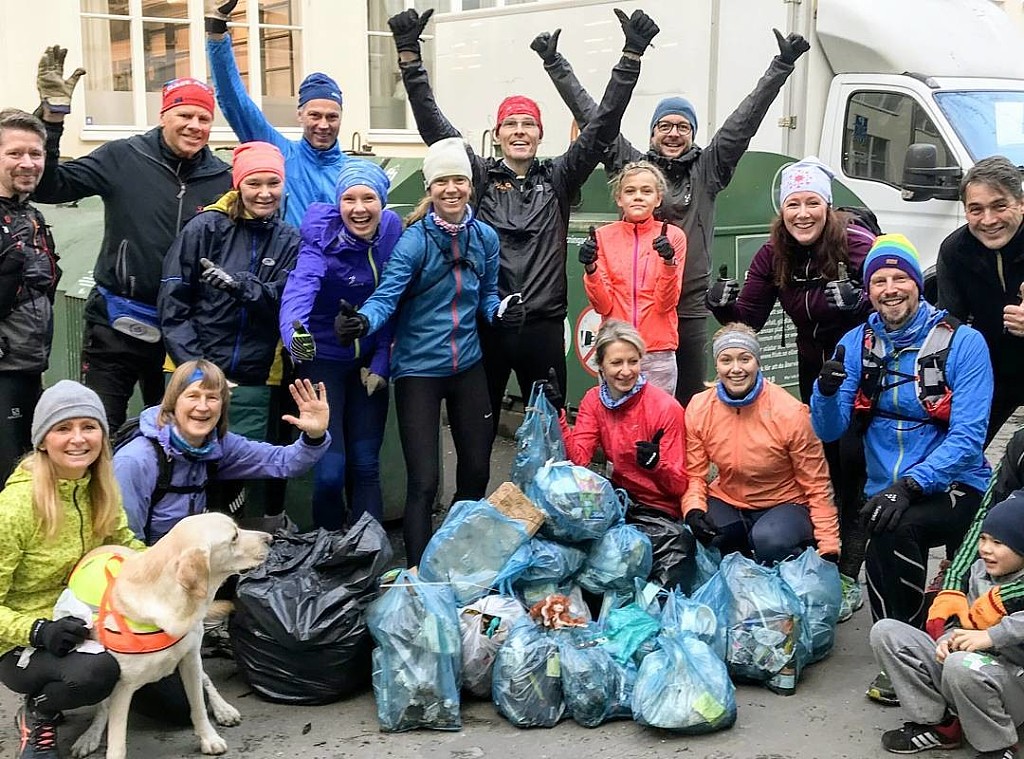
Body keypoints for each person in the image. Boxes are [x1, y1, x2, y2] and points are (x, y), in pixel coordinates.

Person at [388, 6, 656, 428]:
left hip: (543, 328)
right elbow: (437, 132)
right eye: (510, 124)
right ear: (497, 134)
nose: (519, 130)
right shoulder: (477, 176)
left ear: (539, 134)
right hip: (488, 325)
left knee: (551, 432)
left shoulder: (560, 177)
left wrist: (631, 58)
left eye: (528, 124)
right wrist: (409, 58)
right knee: (478, 431)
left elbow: (603, 126)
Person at [533, 26, 810, 405]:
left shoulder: (709, 168)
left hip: (688, 307)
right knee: (626, 403)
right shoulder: (636, 169)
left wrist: (781, 65)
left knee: (685, 401)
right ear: (652, 134)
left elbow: (743, 122)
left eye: (682, 126)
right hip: (637, 311)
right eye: (664, 126)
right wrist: (555, 64)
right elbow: (596, 118)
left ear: (693, 133)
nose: (673, 133)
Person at [811, 233, 992, 705]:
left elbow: (969, 437)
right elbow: (830, 429)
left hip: (956, 482)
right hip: (887, 488)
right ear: (868, 290)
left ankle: (919, 651)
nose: (890, 289)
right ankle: (905, 655)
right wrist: (824, 393)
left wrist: (911, 485)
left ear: (917, 283)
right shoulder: (857, 343)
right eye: (879, 281)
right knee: (883, 525)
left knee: (892, 526)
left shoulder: (964, 343)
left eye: (900, 278)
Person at [707, 156, 875, 618]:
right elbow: (750, 320)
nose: (803, 214)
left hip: (861, 369)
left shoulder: (857, 245)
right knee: (827, 461)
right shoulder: (773, 254)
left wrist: (862, 304)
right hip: (814, 369)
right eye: (793, 204)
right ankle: (821, 553)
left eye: (812, 203)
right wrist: (722, 307)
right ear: (782, 210)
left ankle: (847, 571)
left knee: (854, 467)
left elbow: (900, 297)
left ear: (828, 206)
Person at [31, 46, 231, 431]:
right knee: (99, 427)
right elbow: (48, 187)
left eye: (204, 118)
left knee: (177, 435)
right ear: (164, 116)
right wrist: (52, 121)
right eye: (184, 115)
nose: (194, 125)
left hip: (183, 331)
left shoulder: (222, 178)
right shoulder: (123, 156)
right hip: (116, 322)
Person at [332, 138, 501, 567]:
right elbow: (386, 297)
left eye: (459, 180)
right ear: (430, 188)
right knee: (424, 482)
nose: (451, 189)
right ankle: (419, 574)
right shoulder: (414, 241)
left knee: (476, 473)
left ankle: (457, 557)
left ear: (470, 186)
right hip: (419, 371)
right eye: (441, 181)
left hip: (468, 365)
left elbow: (487, 295)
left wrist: (501, 312)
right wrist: (362, 321)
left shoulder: (485, 238)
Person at [0, 380, 145, 758]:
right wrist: (38, 630)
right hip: (25, 639)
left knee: (175, 706)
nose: (78, 439)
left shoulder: (101, 488)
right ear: (42, 441)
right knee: (96, 675)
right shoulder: (15, 507)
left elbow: (127, 547)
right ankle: (40, 711)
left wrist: (170, 565)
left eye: (89, 427)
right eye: (63, 428)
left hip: (92, 619)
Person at [279, 160, 402, 530]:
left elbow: (392, 299)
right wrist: (296, 337)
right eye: (349, 199)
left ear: (382, 202)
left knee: (365, 465)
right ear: (338, 203)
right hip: (323, 361)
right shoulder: (323, 237)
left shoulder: (392, 232)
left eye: (368, 198)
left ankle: (369, 549)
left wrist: (381, 362)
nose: (359, 208)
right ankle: (329, 545)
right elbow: (300, 289)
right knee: (330, 471)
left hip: (368, 364)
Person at [159, 141, 299, 446]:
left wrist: (240, 287)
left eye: (273, 183)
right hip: (192, 372)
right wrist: (199, 370)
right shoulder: (204, 228)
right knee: (186, 459)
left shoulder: (289, 239)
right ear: (238, 185)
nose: (265, 193)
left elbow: (283, 303)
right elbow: (173, 305)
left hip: (255, 378)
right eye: (254, 183)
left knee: (245, 466)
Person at [870, 493, 1024, 759]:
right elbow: (959, 619)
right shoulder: (978, 571)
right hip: (967, 670)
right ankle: (940, 725)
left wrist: (990, 636)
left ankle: (998, 746)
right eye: (983, 539)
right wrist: (947, 640)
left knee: (960, 664)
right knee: (886, 632)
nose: (986, 549)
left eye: (998, 543)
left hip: (1012, 684)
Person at [112, 359, 329, 546]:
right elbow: (125, 541)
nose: (203, 407)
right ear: (172, 402)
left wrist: (315, 435)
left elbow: (286, 463)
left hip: (197, 555)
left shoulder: (218, 444)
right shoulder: (136, 460)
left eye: (212, 398)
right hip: (148, 562)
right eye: (193, 396)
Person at [683, 323, 839, 565]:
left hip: (785, 503)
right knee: (702, 532)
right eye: (726, 360)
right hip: (730, 498)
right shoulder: (699, 406)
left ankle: (793, 567)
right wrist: (693, 509)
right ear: (716, 365)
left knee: (769, 540)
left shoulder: (790, 412)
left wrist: (829, 545)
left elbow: (817, 483)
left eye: (745, 359)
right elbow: (695, 474)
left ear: (757, 362)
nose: (736, 369)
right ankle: (743, 574)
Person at [555, 319, 692, 588]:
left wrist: (657, 464)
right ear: (601, 366)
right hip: (620, 499)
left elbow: (679, 485)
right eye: (616, 363)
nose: (626, 371)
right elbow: (579, 460)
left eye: (633, 361)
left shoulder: (665, 407)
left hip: (659, 509)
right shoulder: (594, 400)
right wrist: (558, 413)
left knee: (670, 553)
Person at [205, 0, 348, 227]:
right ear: (300, 115)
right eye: (315, 115)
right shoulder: (278, 153)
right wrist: (217, 31)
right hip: (285, 251)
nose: (323, 125)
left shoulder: (352, 172)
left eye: (332, 117)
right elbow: (235, 102)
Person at [937, 155, 1024, 446]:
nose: (988, 220)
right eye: (976, 209)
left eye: (999, 206)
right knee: (963, 452)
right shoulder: (955, 251)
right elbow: (950, 325)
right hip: (992, 372)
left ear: (1021, 203)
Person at [579, 161, 686, 395]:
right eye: (630, 191)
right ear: (619, 198)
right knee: (615, 414)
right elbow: (602, 305)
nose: (638, 196)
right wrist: (590, 268)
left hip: (657, 350)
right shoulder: (603, 236)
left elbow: (666, 303)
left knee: (658, 416)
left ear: (658, 199)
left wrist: (669, 263)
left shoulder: (673, 236)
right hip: (615, 350)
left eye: (646, 191)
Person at [0, 109, 61, 485]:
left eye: (35, 154)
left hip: (28, 368)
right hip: (4, 373)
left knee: (27, 477)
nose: (28, 163)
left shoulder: (30, 216)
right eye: (15, 153)